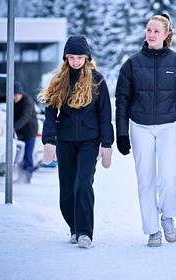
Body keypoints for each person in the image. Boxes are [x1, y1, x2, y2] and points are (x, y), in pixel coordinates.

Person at [115, 14, 176, 247]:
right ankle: (152, 229)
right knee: (145, 179)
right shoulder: (131, 64)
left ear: (166, 34)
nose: (151, 34)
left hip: (168, 126)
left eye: (156, 31)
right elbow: (122, 100)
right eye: (148, 30)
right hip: (139, 126)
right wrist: (121, 133)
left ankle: (168, 216)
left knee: (169, 176)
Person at [38, 35, 114, 249]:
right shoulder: (59, 81)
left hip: (90, 141)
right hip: (65, 141)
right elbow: (51, 114)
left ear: (87, 58)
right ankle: (74, 227)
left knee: (83, 184)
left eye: (80, 57)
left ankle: (84, 232)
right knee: (67, 191)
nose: (76, 61)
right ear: (66, 58)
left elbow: (104, 114)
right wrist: (49, 140)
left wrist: (107, 143)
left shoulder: (97, 80)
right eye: (72, 57)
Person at [13, 81, 38, 184]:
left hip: (30, 132)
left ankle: (27, 177)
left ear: (20, 94)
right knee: (21, 155)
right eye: (12, 95)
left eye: (15, 95)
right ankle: (21, 176)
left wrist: (13, 127)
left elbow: (25, 117)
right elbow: (2, 97)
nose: (13, 98)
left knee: (28, 154)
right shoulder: (15, 100)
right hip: (21, 132)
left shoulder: (27, 102)